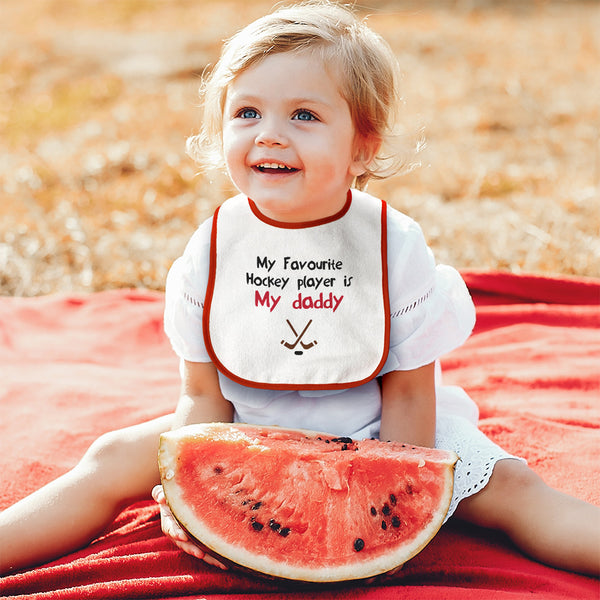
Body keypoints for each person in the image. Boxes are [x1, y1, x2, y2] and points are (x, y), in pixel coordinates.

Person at [1, 0, 598, 578]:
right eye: (247, 113)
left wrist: (391, 503)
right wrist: (186, 490)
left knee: (517, 491)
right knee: (108, 458)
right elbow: (203, 399)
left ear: (362, 146)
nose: (270, 136)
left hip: (382, 428)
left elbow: (411, 397)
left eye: (304, 116)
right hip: (244, 426)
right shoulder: (211, 250)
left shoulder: (393, 246)